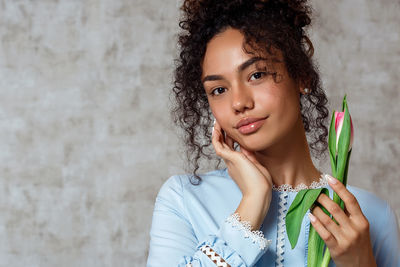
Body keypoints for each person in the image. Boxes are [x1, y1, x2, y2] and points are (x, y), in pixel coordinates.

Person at [146, 0, 400, 266]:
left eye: (256, 75)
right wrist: (252, 204)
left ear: (302, 76)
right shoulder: (184, 200)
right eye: (219, 90)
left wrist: (360, 263)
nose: (239, 103)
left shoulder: (369, 215)